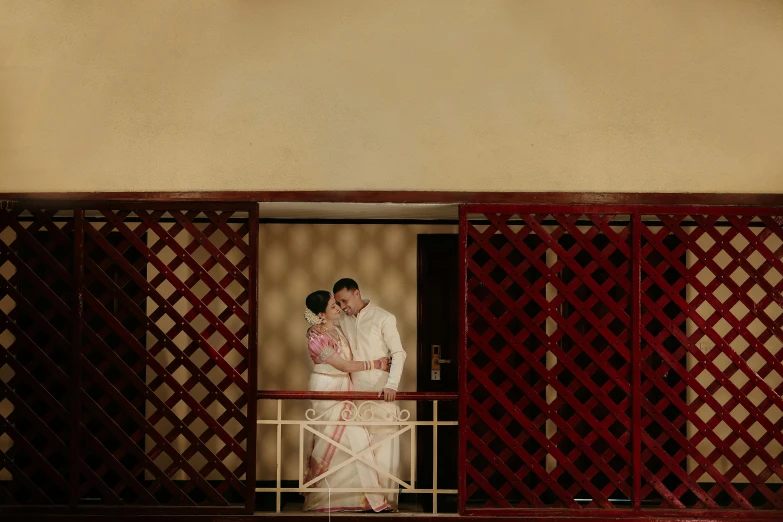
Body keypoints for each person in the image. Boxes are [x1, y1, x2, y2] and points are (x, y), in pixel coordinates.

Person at [302, 290, 391, 512]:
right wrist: (377, 364)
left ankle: (360, 500)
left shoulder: (340, 330)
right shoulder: (316, 337)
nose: (338, 308)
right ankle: (325, 499)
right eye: (333, 306)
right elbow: (343, 365)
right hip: (327, 388)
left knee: (356, 439)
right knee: (332, 439)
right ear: (321, 315)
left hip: (344, 386)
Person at [333, 278, 407, 511]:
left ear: (357, 293)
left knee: (384, 448)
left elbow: (398, 353)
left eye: (345, 301)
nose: (343, 307)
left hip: (380, 392)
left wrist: (392, 385)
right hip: (353, 396)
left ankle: (386, 504)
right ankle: (364, 505)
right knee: (359, 453)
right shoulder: (343, 320)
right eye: (338, 303)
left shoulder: (383, 318)